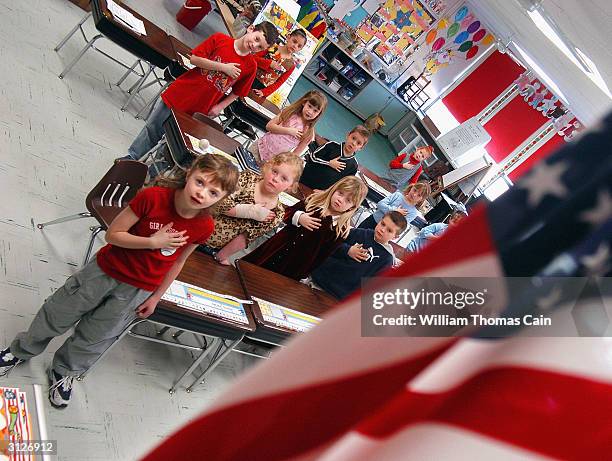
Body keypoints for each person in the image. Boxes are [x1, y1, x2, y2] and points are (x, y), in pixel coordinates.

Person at [0, 156, 239, 408]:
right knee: (57, 313)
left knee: (96, 336)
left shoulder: (204, 226)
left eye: (213, 192)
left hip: (138, 290)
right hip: (104, 272)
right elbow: (113, 235)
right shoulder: (153, 197)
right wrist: (152, 242)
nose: (202, 194)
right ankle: (21, 350)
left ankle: (63, 371)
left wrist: (156, 296)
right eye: (200, 182)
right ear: (189, 174)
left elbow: (178, 262)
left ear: (221, 198)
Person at [123, 22, 279, 163]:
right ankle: (132, 158)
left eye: (260, 47)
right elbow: (195, 59)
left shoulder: (250, 66)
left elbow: (239, 92)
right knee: (153, 129)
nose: (254, 45)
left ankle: (154, 174)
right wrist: (223, 68)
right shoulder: (220, 39)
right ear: (251, 29)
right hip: (179, 93)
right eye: (257, 39)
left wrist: (220, 106)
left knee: (174, 143)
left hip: (200, 109)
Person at [243, 176, 367, 280]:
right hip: (275, 248)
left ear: (352, 207)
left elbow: (323, 256)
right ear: (334, 190)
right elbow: (286, 214)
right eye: (340, 193)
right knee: (247, 273)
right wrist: (299, 217)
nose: (341, 200)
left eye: (348, 200)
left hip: (295, 265)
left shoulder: (340, 230)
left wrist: (304, 274)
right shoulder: (313, 201)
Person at [205, 153, 305, 265]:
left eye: (284, 178)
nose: (276, 179)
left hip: (214, 249)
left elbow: (246, 237)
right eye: (274, 171)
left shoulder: (276, 213)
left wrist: (222, 256)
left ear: (291, 186)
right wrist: (250, 211)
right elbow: (218, 203)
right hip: (197, 228)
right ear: (268, 166)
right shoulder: (247, 179)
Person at [310, 211, 407, 300]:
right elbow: (330, 243)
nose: (382, 230)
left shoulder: (387, 259)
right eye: (382, 224)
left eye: (389, 230)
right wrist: (347, 250)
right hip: (318, 278)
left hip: (339, 296)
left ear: (395, 237)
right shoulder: (360, 233)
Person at [251, 90, 327, 163]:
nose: (310, 112)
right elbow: (269, 126)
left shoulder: (309, 133)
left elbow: (295, 155)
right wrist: (289, 131)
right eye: (309, 106)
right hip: (259, 147)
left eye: (315, 111)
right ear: (304, 102)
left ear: (319, 114)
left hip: (272, 162)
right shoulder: (290, 112)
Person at [299, 125, 370, 190]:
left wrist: (325, 193)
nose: (353, 143)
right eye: (353, 138)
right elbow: (312, 157)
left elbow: (342, 185)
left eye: (358, 143)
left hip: (319, 193)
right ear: (348, 135)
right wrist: (329, 163)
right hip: (304, 180)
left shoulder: (353, 166)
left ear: (361, 148)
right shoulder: (331, 146)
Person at [252, 28, 308, 98]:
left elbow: (279, 83)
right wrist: (269, 63)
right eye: (294, 41)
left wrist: (264, 92)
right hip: (251, 76)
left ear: (300, 49)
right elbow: (254, 58)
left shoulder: (291, 65)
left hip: (261, 90)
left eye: (299, 46)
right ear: (288, 37)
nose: (295, 46)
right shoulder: (272, 47)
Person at [358, 181, 431, 230]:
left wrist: (391, 213)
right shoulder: (397, 195)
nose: (414, 194)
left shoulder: (413, 213)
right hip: (373, 220)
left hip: (383, 231)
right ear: (412, 187)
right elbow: (380, 204)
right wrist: (394, 211)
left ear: (421, 199)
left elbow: (400, 226)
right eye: (415, 190)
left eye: (419, 195)